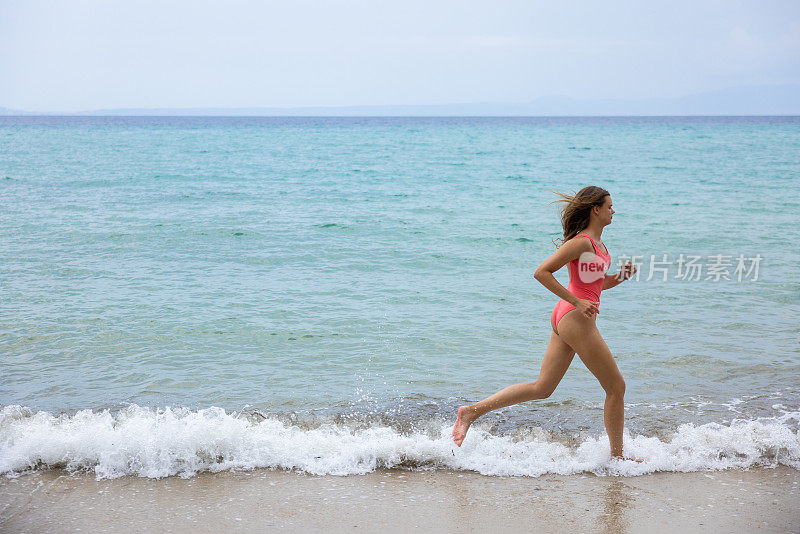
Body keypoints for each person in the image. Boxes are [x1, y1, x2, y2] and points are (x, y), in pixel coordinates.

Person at [451, 186, 642, 462]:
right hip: (574, 318)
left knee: (542, 388)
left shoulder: (599, 245)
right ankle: (617, 458)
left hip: (567, 317)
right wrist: (576, 302)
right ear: (595, 209)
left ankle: (471, 411)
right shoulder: (582, 242)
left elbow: (595, 284)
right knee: (616, 387)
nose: (614, 210)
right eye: (609, 206)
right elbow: (542, 272)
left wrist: (620, 277)